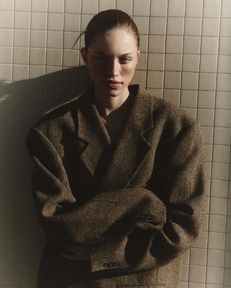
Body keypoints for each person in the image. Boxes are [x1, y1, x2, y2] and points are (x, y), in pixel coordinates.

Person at [26, 9, 206, 288]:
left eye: (125, 60)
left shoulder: (177, 127)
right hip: (70, 279)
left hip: (145, 280)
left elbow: (183, 226)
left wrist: (102, 254)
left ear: (138, 55)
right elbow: (57, 222)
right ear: (85, 56)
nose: (113, 72)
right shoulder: (50, 131)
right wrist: (145, 205)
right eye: (100, 59)